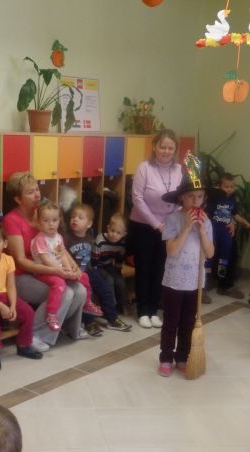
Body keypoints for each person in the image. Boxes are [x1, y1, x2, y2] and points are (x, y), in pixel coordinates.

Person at [3, 172, 86, 351]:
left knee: (80, 290)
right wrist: (56, 271)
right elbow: (20, 261)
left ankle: (66, 328)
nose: (37, 195)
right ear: (18, 199)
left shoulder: (44, 214)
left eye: (37, 189)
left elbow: (58, 245)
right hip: (20, 277)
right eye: (30, 192)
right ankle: (34, 335)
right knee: (65, 293)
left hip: (48, 271)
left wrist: (74, 266)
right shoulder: (11, 220)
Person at [157, 169, 214, 377]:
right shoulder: (172, 219)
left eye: (200, 196)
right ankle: (166, 357)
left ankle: (182, 356)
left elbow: (210, 253)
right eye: (191, 196)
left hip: (195, 281)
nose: (196, 201)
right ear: (181, 197)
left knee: (188, 322)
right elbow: (172, 251)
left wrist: (202, 230)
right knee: (171, 321)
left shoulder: (206, 222)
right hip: (173, 281)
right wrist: (187, 227)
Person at [129, 129, 182, 329]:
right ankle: (142, 310)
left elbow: (181, 198)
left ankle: (153, 310)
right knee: (144, 268)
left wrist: (170, 222)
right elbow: (137, 199)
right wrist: (156, 224)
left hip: (168, 226)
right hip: (143, 225)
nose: (166, 151)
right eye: (162, 147)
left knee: (160, 268)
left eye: (170, 148)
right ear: (154, 147)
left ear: (175, 150)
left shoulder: (179, 170)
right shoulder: (144, 168)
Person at [0, 224, 43, 372]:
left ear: (5, 243)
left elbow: (11, 286)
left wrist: (12, 306)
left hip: (4, 295)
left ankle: (23, 345)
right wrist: (2, 307)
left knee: (28, 312)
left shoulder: (8, 260)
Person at [30, 201, 103, 333]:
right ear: (39, 222)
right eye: (46, 220)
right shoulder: (40, 239)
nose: (51, 224)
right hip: (45, 272)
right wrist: (61, 271)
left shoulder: (58, 237)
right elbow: (45, 260)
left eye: (54, 220)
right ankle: (51, 314)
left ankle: (87, 303)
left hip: (60, 270)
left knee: (84, 277)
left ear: (59, 221)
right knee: (59, 284)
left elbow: (63, 255)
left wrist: (70, 270)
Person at [64, 203, 131, 333]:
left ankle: (112, 318)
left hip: (90, 271)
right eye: (73, 217)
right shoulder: (66, 238)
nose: (75, 219)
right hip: (76, 274)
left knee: (105, 290)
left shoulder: (90, 237)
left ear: (89, 224)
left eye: (80, 217)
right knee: (87, 294)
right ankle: (89, 322)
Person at [205, 173, 250, 300]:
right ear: (218, 186)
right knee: (209, 256)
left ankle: (223, 285)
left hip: (226, 231)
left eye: (232, 187)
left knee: (226, 255)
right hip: (213, 230)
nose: (229, 189)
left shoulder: (232, 198)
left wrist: (244, 222)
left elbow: (234, 213)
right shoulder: (214, 198)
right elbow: (207, 214)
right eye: (226, 187)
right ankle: (203, 286)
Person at [92, 212, 129, 315]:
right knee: (109, 280)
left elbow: (119, 259)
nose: (114, 235)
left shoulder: (121, 244)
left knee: (120, 281)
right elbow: (94, 260)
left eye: (118, 233)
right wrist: (96, 273)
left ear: (124, 234)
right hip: (97, 266)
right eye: (112, 230)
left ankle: (122, 305)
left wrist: (118, 272)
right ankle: (110, 307)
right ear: (108, 228)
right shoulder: (100, 240)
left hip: (108, 265)